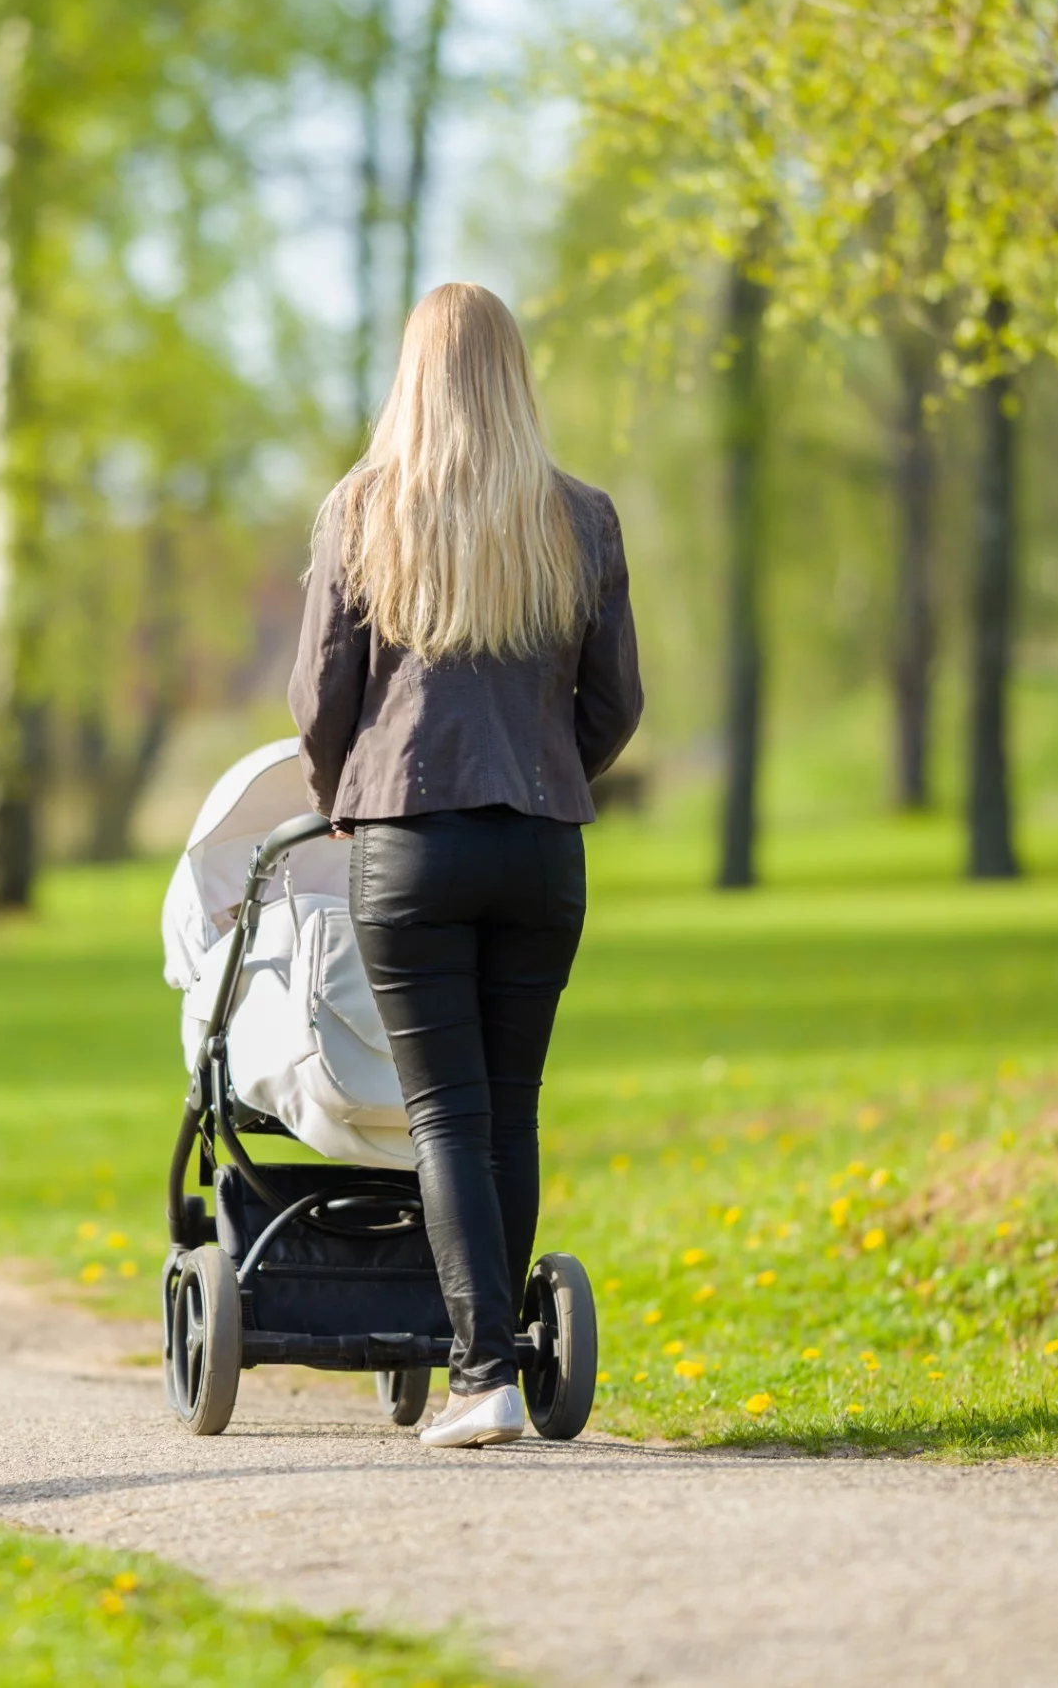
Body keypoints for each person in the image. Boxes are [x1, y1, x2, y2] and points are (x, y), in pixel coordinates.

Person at [289, 282, 642, 1449]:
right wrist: (547, 767)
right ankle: (498, 1357)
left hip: (409, 840)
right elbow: (616, 702)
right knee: (510, 1109)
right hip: (539, 845)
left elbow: (317, 699)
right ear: (512, 374)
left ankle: (481, 1368)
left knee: (443, 1113)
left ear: (412, 374)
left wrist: (344, 793)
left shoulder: (361, 512)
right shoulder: (578, 517)